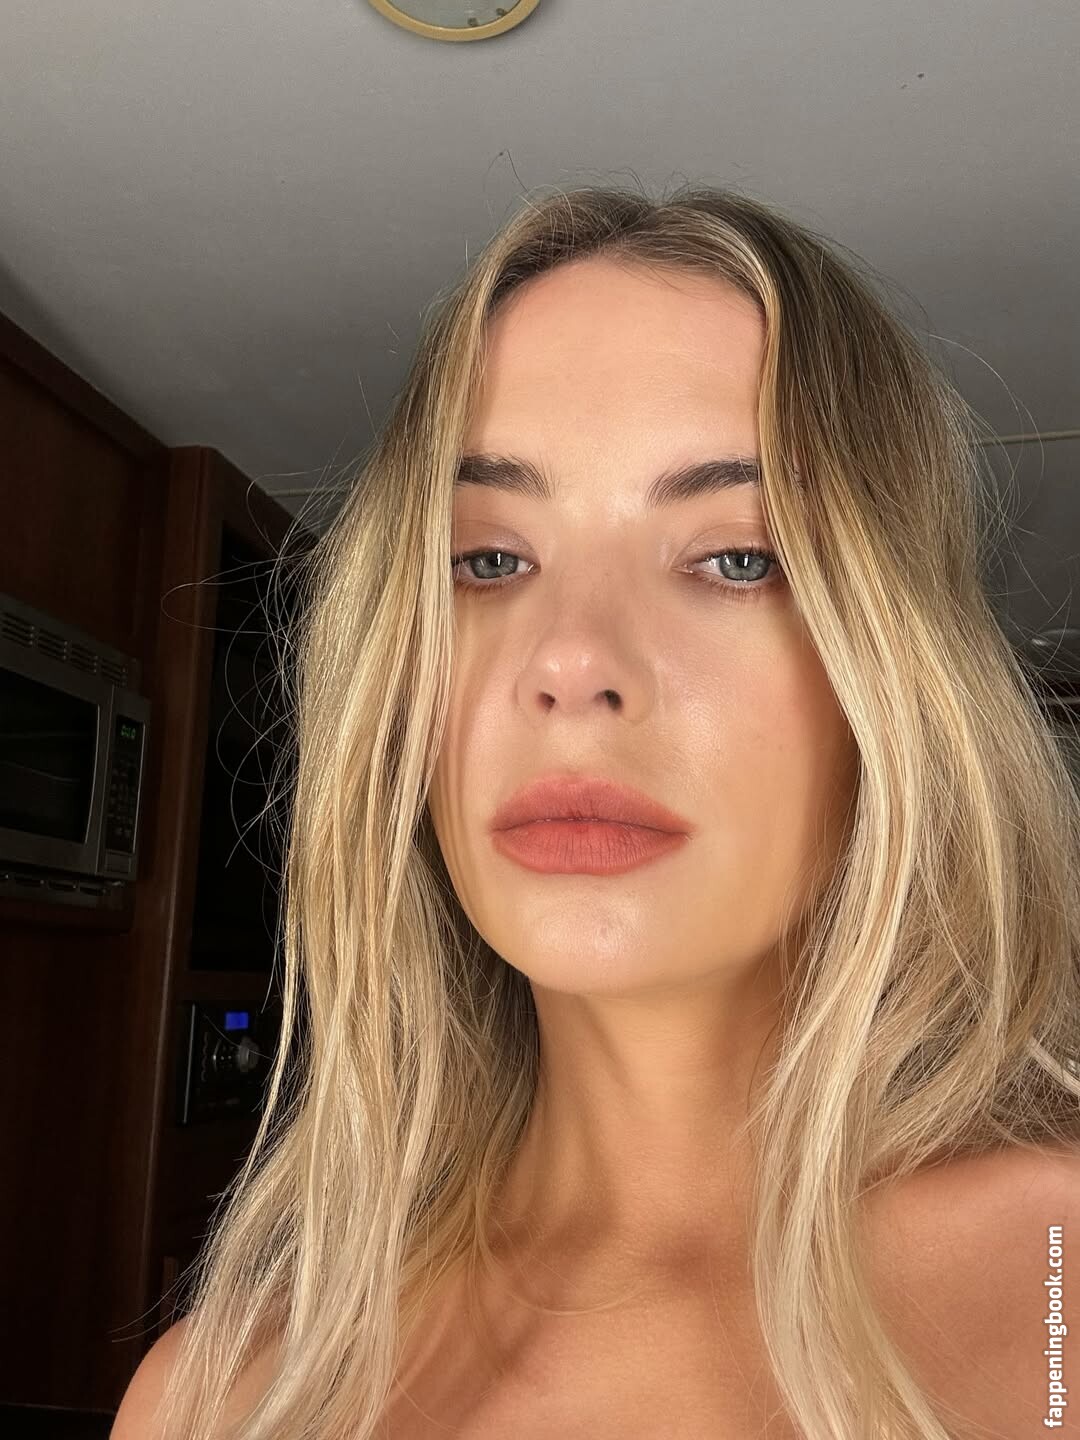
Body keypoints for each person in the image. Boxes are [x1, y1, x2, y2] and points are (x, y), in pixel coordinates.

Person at [112, 182, 1080, 1440]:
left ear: (894, 680)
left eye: (737, 557)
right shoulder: (216, 1395)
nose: (570, 661)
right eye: (489, 559)